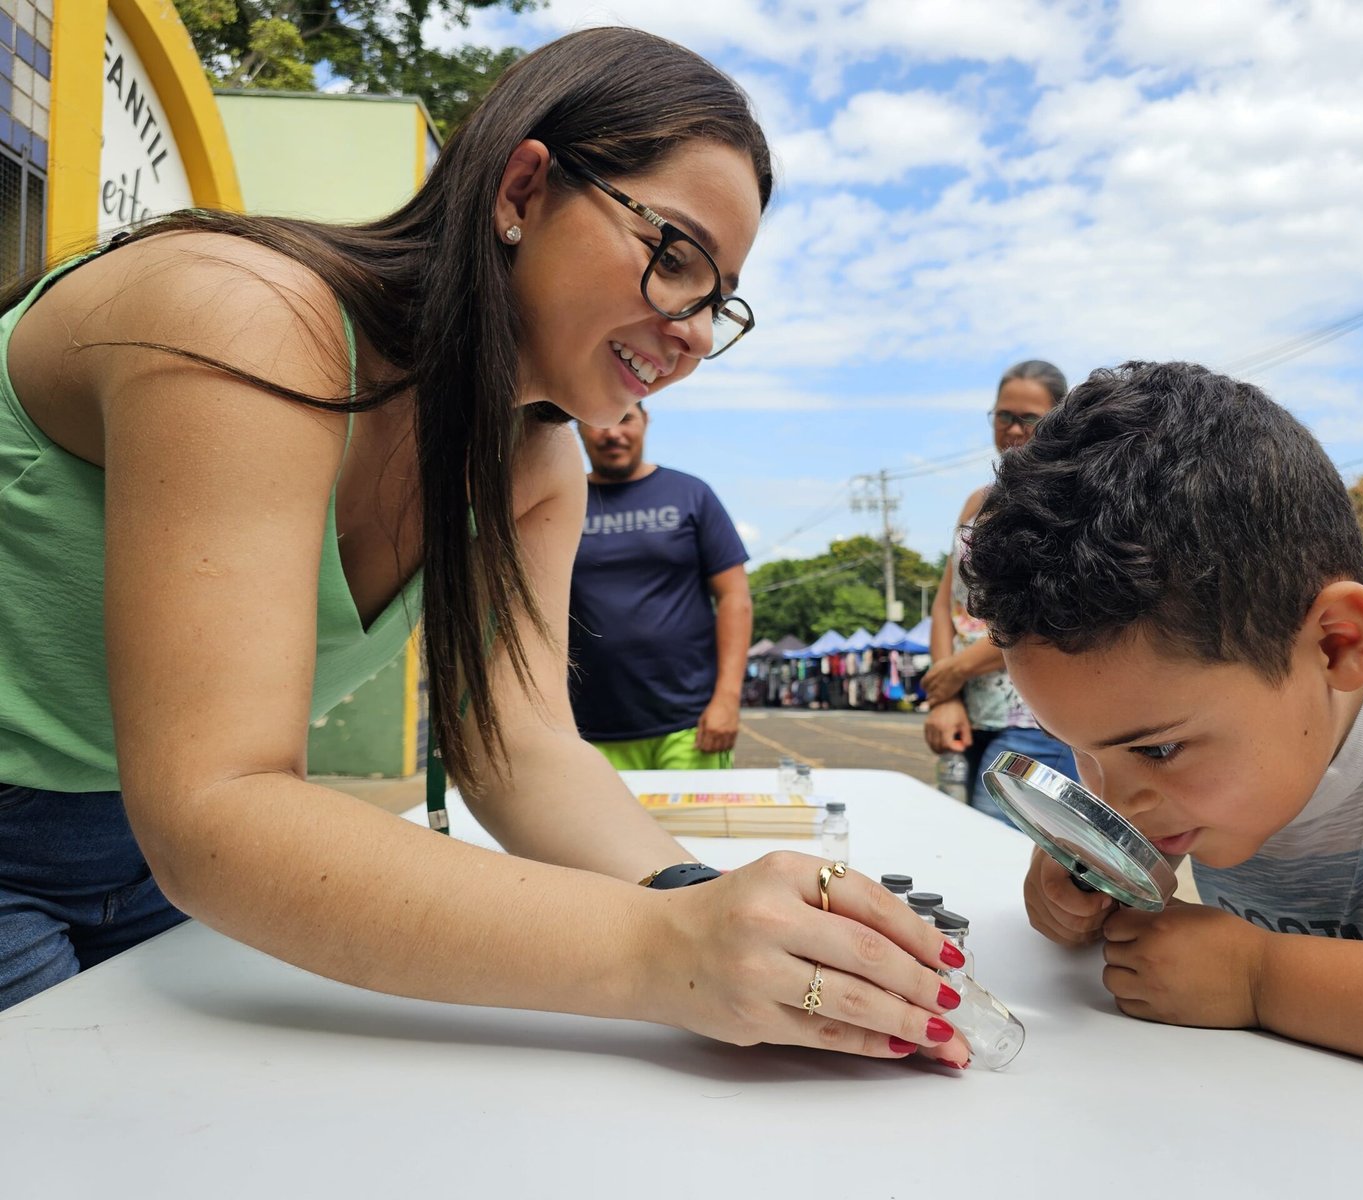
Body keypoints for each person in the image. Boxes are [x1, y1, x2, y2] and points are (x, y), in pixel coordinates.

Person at [0, 28, 971, 1068]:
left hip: (152, 872)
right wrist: (663, 951)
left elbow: (520, 747)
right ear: (521, 189)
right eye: (674, 254)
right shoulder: (244, 316)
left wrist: (702, 906)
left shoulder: (535, 463)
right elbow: (215, 808)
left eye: (719, 298)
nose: (692, 328)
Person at [962, 360, 1363, 1110]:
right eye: (1078, 747)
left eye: (1157, 749)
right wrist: (1097, 891)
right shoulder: (1219, 716)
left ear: (1335, 645)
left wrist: (1262, 978)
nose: (1118, 804)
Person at [922, 360, 1081, 821]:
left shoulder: (1069, 500)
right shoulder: (978, 500)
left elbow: (1051, 610)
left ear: (1057, 420)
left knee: (998, 867)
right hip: (971, 716)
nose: (1013, 429)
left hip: (1035, 720)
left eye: (1028, 419)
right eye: (1003, 415)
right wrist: (946, 697)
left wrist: (955, 670)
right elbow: (946, 602)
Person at [569, 401, 750, 769]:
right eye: (599, 420)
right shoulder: (562, 500)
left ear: (645, 421)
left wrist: (727, 699)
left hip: (690, 725)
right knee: (602, 829)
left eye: (625, 419)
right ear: (578, 428)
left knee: (693, 829)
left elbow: (735, 598)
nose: (613, 433)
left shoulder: (690, 494)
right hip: (584, 728)